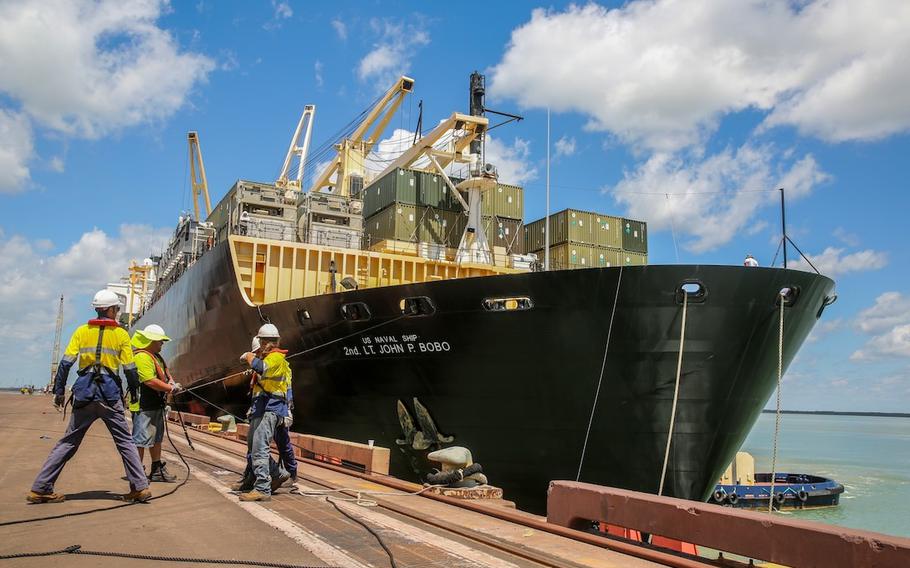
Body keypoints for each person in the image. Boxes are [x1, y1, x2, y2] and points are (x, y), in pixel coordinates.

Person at [27, 290, 150, 504]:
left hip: (84, 394)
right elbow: (130, 369)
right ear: (111, 310)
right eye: (117, 309)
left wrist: (58, 391)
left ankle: (41, 487)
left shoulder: (81, 331)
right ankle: (139, 487)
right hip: (109, 396)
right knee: (125, 442)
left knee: (68, 442)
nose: (118, 313)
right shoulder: (121, 334)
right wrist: (134, 393)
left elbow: (66, 364)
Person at [231, 332, 292, 494]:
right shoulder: (268, 359)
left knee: (260, 449)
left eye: (258, 351)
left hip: (270, 408)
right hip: (261, 408)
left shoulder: (276, 358)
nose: (258, 355)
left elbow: (262, 368)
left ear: (265, 343)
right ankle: (265, 476)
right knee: (254, 448)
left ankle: (263, 487)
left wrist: (250, 357)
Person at [131, 324, 182, 482]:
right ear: (151, 341)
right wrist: (170, 389)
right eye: (160, 341)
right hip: (143, 406)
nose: (162, 344)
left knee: (156, 439)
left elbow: (166, 376)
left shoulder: (156, 357)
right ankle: (137, 473)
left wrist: (172, 384)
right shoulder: (142, 357)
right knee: (140, 441)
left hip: (155, 404)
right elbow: (149, 381)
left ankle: (156, 469)